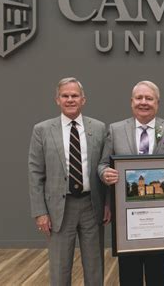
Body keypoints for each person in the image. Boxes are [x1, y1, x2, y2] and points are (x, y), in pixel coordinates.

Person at [98, 80, 164, 286]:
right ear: (131, 102)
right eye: (139, 98)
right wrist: (105, 174)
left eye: (149, 98)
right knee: (129, 275)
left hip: (160, 216)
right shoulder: (115, 129)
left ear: (157, 102)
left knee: (158, 273)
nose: (143, 102)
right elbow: (102, 164)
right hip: (127, 217)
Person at [28, 77, 110, 286]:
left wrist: (108, 203)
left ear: (84, 99)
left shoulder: (99, 128)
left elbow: (106, 167)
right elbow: (35, 173)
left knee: (94, 265)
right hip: (58, 209)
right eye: (65, 96)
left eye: (75, 95)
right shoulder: (42, 130)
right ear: (57, 100)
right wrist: (40, 212)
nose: (70, 99)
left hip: (92, 205)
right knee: (59, 267)